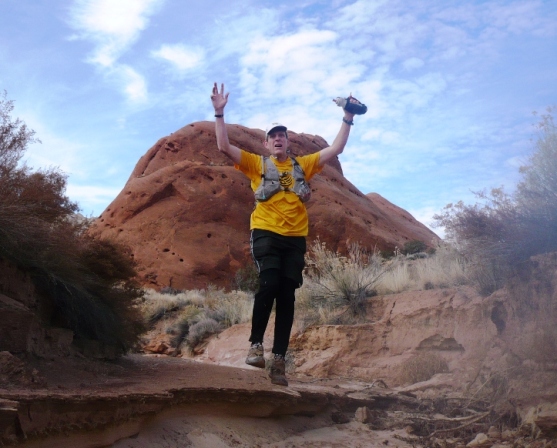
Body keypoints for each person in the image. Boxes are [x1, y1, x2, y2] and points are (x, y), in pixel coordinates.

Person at [210, 82, 357, 386]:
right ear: (266, 144)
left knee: (287, 295)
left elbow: (336, 148)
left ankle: (279, 360)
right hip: (265, 231)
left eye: (282, 136)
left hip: (295, 238)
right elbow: (224, 147)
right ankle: (255, 346)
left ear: (288, 144)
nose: (278, 139)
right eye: (273, 136)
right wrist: (219, 113)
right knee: (269, 283)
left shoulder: (303, 165)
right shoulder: (256, 164)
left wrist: (348, 116)